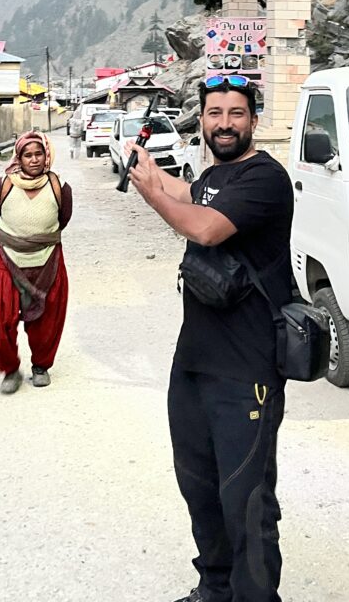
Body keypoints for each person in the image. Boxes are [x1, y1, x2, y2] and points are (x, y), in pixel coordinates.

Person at [128, 76, 294, 602]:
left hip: (247, 371)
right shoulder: (213, 175)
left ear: (253, 121)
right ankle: (215, 589)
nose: (225, 123)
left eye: (236, 113)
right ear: (200, 119)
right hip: (195, 362)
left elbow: (204, 228)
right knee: (199, 488)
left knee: (246, 498)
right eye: (215, 113)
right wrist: (150, 172)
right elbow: (191, 194)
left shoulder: (264, 179)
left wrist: (152, 195)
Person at [0, 131, 73, 393]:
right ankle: (10, 370)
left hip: (47, 259)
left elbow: (63, 219)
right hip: (7, 257)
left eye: (39, 154)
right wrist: (16, 241)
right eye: (27, 155)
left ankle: (40, 367)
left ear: (47, 156)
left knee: (48, 317)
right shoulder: (2, 185)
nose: (34, 160)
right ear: (19, 158)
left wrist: (38, 240)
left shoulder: (60, 186)